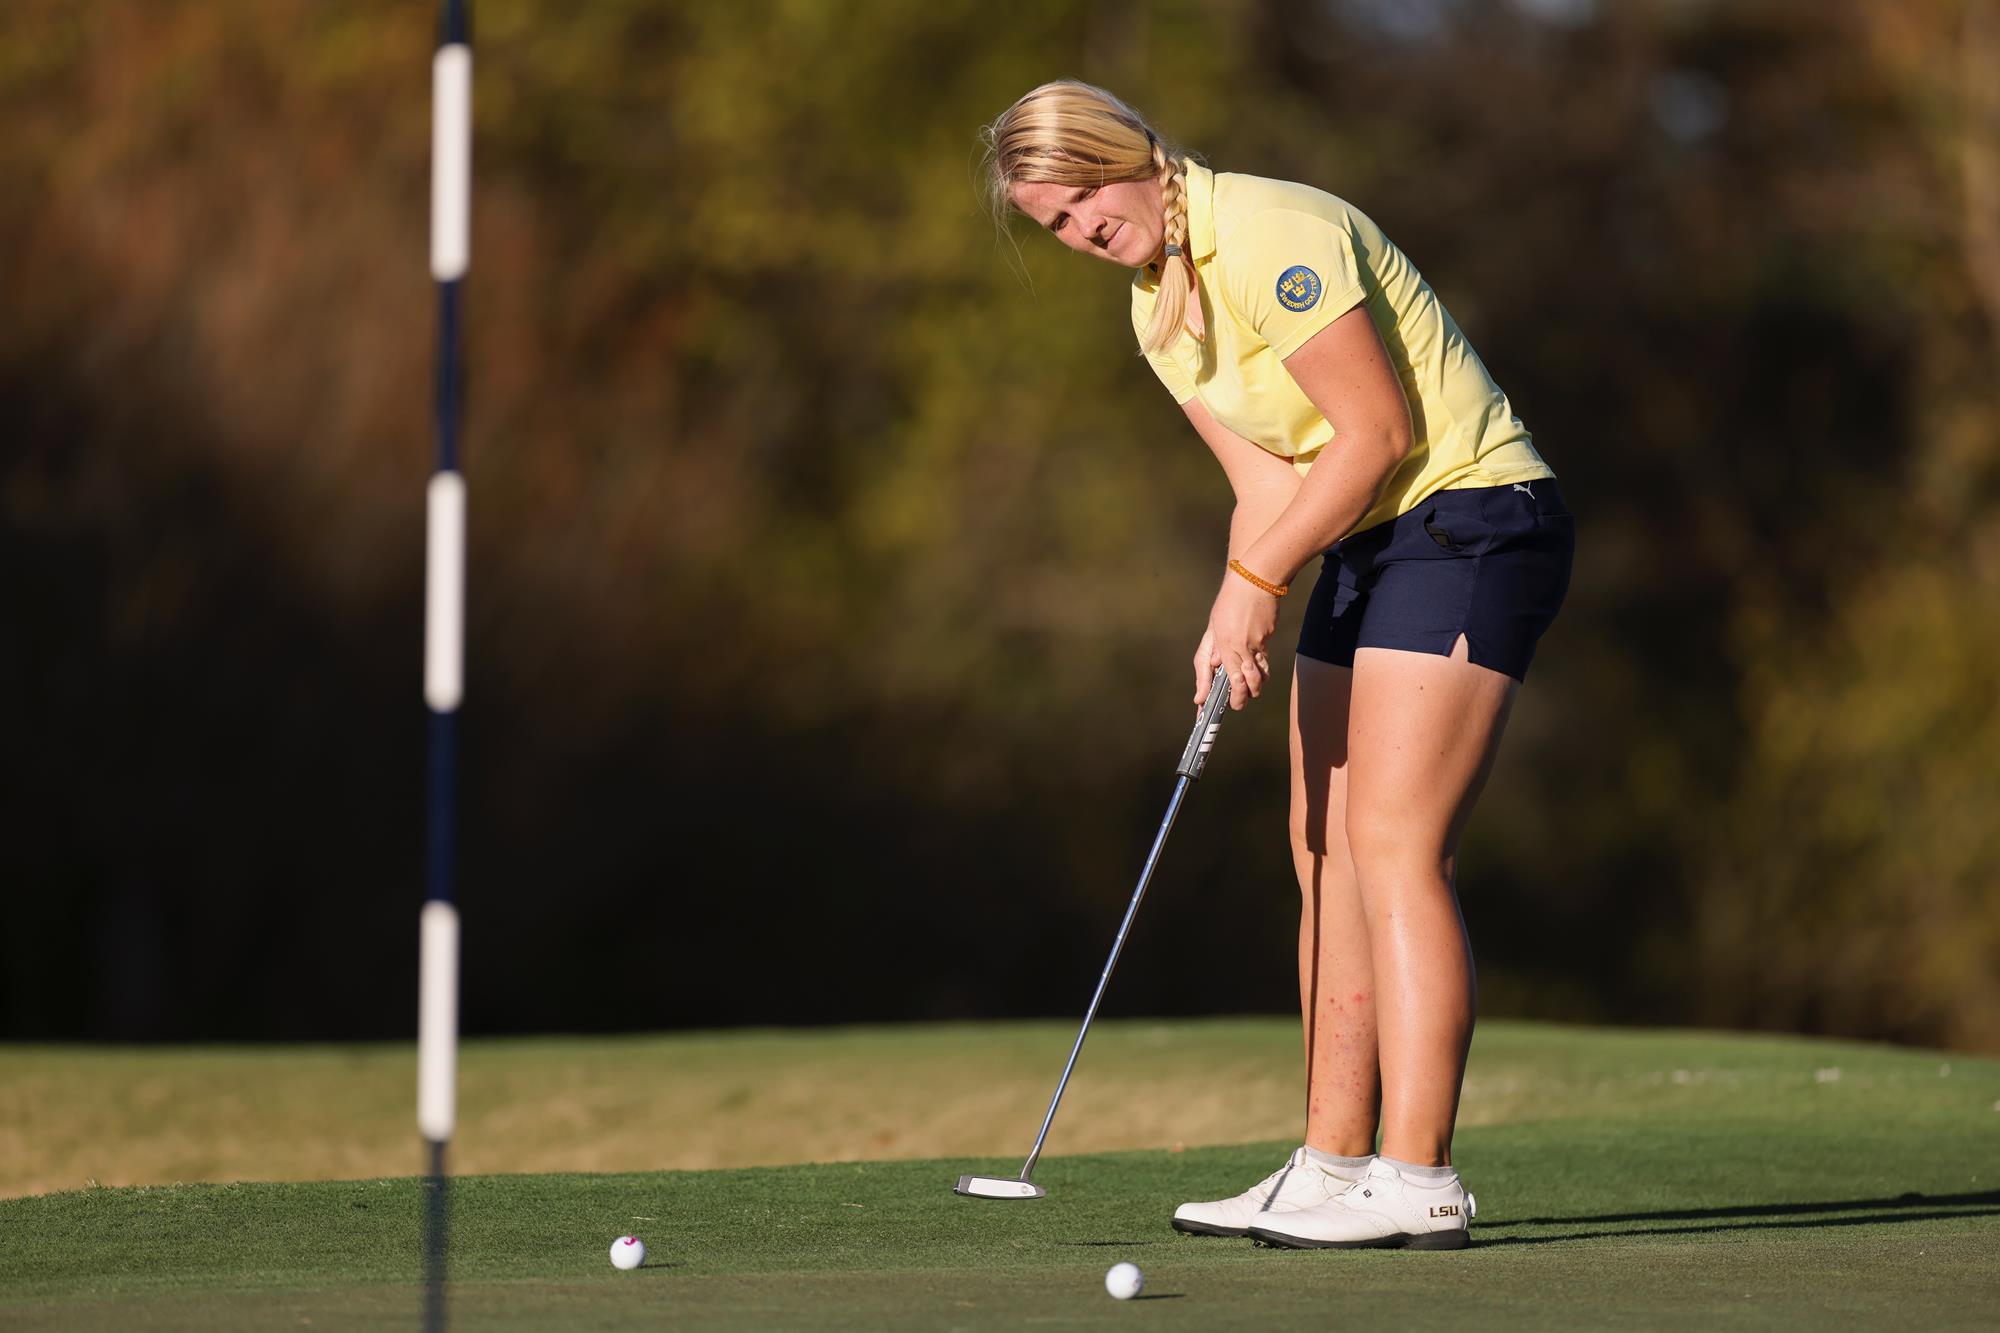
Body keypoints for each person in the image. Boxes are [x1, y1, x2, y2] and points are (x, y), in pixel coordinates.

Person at [980, 80, 1572, 1250]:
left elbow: (1375, 434)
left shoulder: (1267, 231)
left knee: (1395, 842)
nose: (1084, 231)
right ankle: (1331, 1162)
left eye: (1086, 199)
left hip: (1470, 516)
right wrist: (1228, 611)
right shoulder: (1157, 312)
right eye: (1056, 225)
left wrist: (1257, 586)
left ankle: (1419, 1177)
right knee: (1321, 847)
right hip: (1360, 539)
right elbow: (1265, 488)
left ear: (1132, 157)